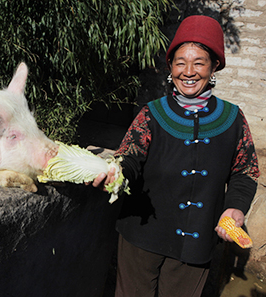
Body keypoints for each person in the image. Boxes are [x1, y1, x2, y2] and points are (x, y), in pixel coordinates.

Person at [92, 15, 260, 297]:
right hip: (142, 235)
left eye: (199, 63)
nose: (188, 72)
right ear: (170, 67)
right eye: (180, 62)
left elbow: (245, 171)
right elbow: (131, 156)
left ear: (214, 66)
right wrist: (118, 171)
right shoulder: (153, 113)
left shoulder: (232, 118)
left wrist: (235, 207)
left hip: (196, 242)